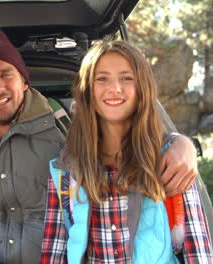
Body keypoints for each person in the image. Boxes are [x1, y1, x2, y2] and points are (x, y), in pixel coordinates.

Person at [0, 28, 200, 264]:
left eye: (5, 74)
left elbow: (122, 127)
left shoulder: (64, 126)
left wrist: (179, 143)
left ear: (24, 82)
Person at [40, 40, 212, 263]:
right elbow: (54, 254)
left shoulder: (170, 160)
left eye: (127, 78)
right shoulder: (64, 171)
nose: (115, 88)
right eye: (102, 79)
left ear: (143, 89)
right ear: (86, 91)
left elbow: (197, 252)